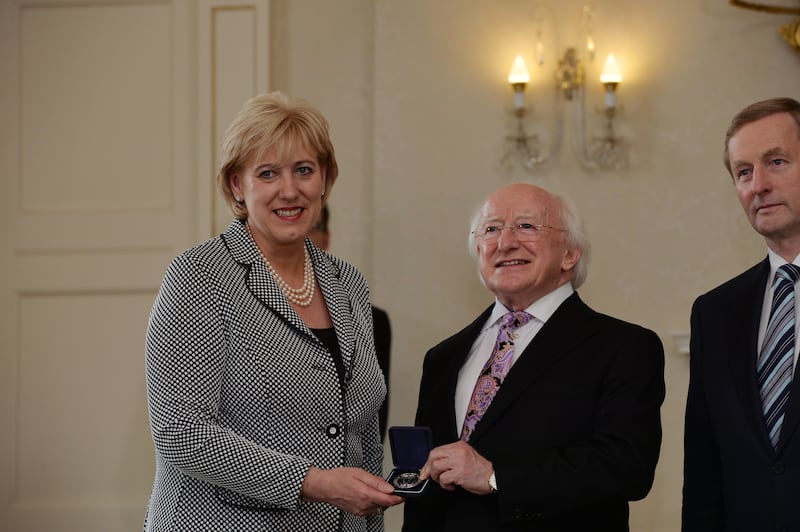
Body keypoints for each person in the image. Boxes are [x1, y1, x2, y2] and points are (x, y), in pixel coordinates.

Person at [143, 91, 403, 531]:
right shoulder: (198, 277)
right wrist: (314, 483)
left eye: (304, 170)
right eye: (267, 173)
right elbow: (180, 431)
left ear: (324, 179)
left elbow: (362, 438)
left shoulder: (349, 283)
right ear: (236, 185)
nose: (290, 190)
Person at [402, 183, 665, 531]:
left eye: (526, 226)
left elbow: (626, 468)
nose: (505, 242)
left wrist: (497, 478)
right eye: (491, 229)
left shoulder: (624, 347)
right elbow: (428, 490)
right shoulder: (442, 357)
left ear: (570, 253)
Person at [682, 97, 800, 531]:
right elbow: (704, 468)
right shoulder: (714, 313)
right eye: (743, 172)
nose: (758, 185)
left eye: (777, 162)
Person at [308, 204, 393, 442]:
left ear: (326, 238)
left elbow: (372, 423)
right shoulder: (234, 312)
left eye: (312, 225)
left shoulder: (371, 320)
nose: (300, 233)